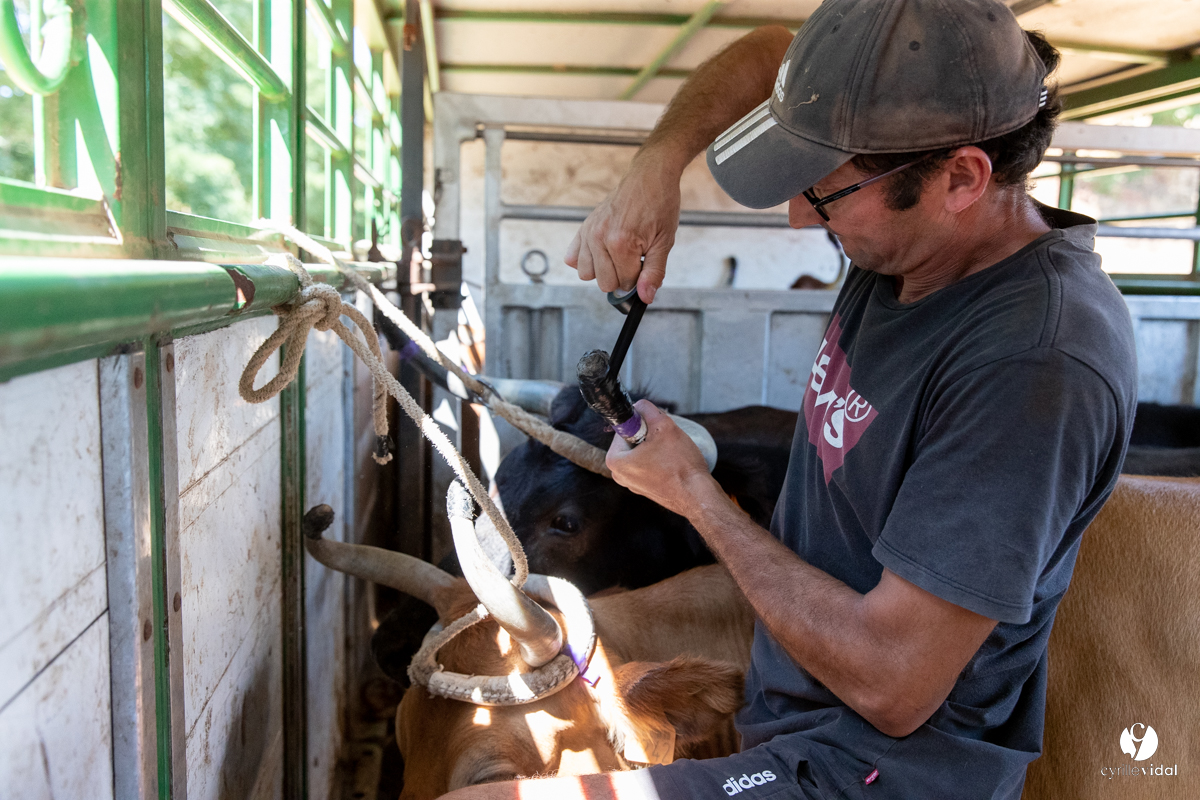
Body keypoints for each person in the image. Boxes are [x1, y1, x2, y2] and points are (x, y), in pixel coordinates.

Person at [445, 0, 1137, 798]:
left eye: (826, 189)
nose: (798, 212)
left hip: (875, 769)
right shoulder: (918, 247)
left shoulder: (1033, 365)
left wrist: (697, 498)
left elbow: (894, 684)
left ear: (960, 177)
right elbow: (773, 51)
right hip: (795, 711)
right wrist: (659, 167)